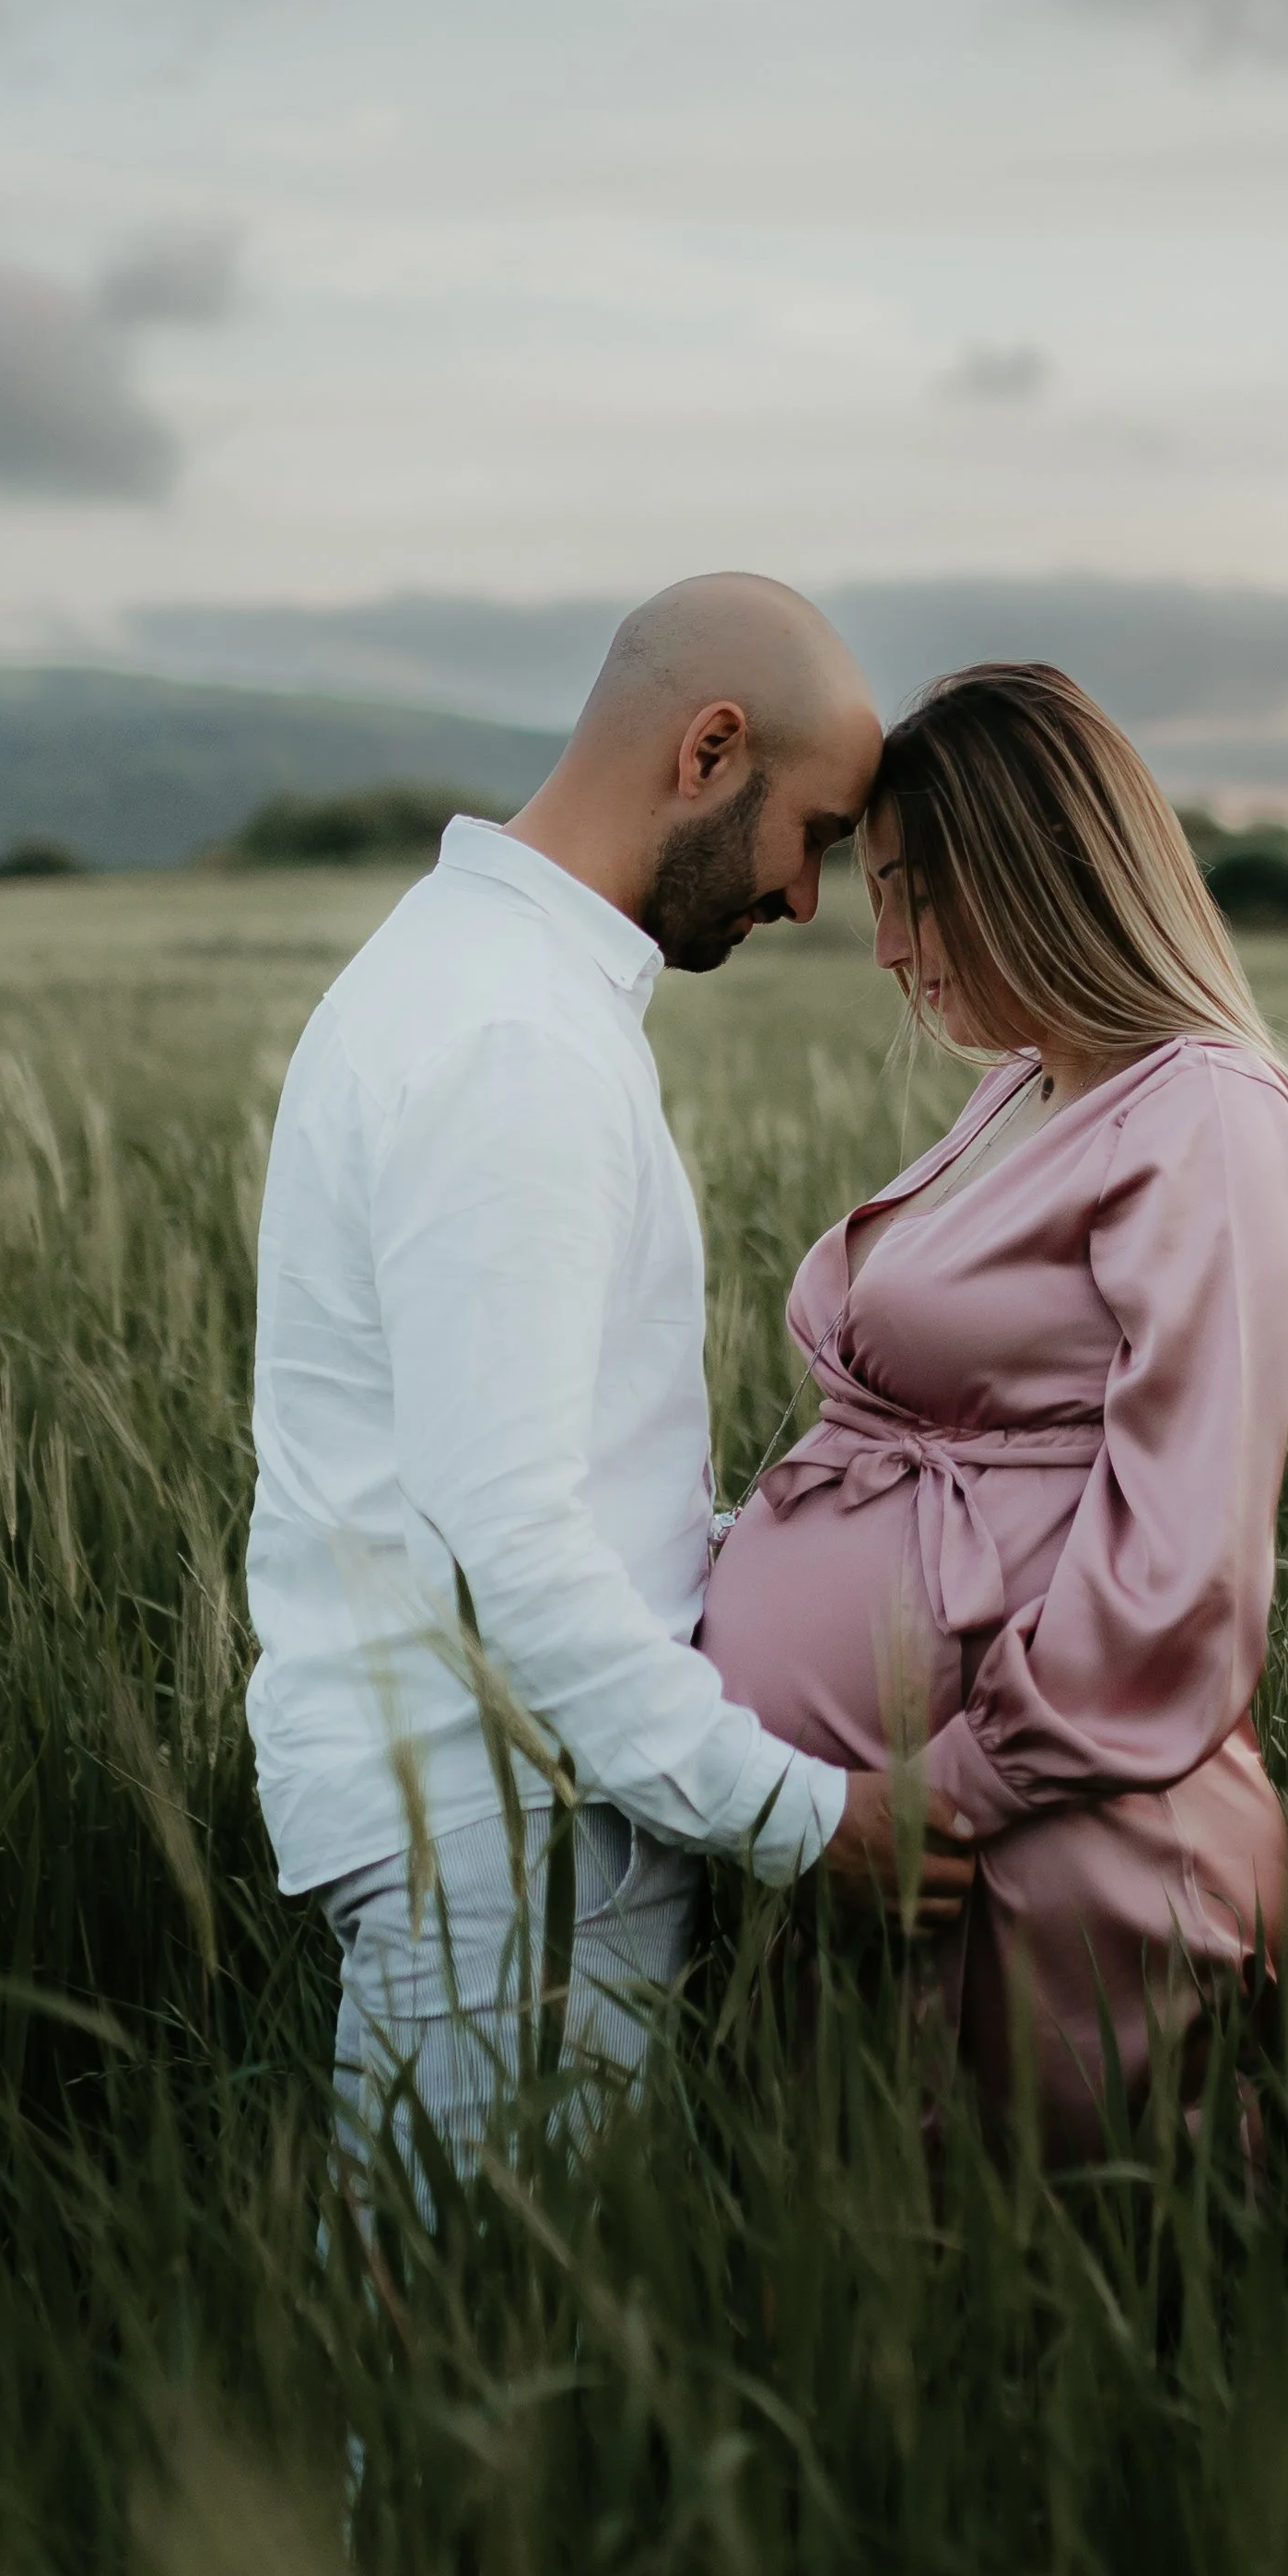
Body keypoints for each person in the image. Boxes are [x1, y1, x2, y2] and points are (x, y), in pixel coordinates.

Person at [244, 574, 976, 2194]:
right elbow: (516, 1555)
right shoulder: (512, 1042)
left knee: (483, 2370)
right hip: (506, 1834)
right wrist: (806, 1816)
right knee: (461, 2395)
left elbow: (540, 1484)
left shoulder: (488, 983)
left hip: (518, 1810)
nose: (806, 904)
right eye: (817, 833)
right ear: (712, 748)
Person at [699, 662, 1288, 2159]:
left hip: (1039, 1861)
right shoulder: (1030, 1090)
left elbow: (1189, 1562)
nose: (887, 945)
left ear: (1035, 873)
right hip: (908, 1849)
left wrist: (947, 1793)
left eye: (916, 890)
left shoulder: (1210, 1118)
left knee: (1085, 2307)